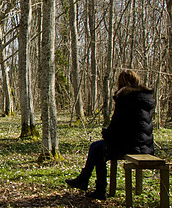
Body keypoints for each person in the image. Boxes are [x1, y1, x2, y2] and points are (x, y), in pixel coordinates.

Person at [66, 70, 155, 200]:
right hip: (145, 145)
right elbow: (133, 125)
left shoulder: (125, 97)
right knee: (96, 146)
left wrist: (106, 132)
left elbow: (117, 124)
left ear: (121, 82)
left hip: (130, 145)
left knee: (97, 150)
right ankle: (85, 180)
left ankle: (98, 188)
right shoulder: (145, 98)